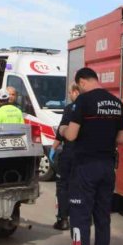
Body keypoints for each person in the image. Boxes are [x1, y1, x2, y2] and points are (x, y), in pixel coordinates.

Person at [64, 68, 123, 245]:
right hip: (107, 167)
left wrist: (62, 130)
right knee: (102, 220)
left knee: (79, 221)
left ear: (81, 82)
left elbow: (71, 135)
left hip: (85, 168)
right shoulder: (116, 102)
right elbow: (122, 138)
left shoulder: (83, 101)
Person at [51, 83, 80, 230]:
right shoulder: (92, 108)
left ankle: (63, 219)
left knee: (63, 186)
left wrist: (53, 149)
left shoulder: (71, 108)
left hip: (70, 153)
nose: (69, 96)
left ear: (76, 92)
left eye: (70, 93)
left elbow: (62, 132)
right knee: (82, 186)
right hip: (86, 155)